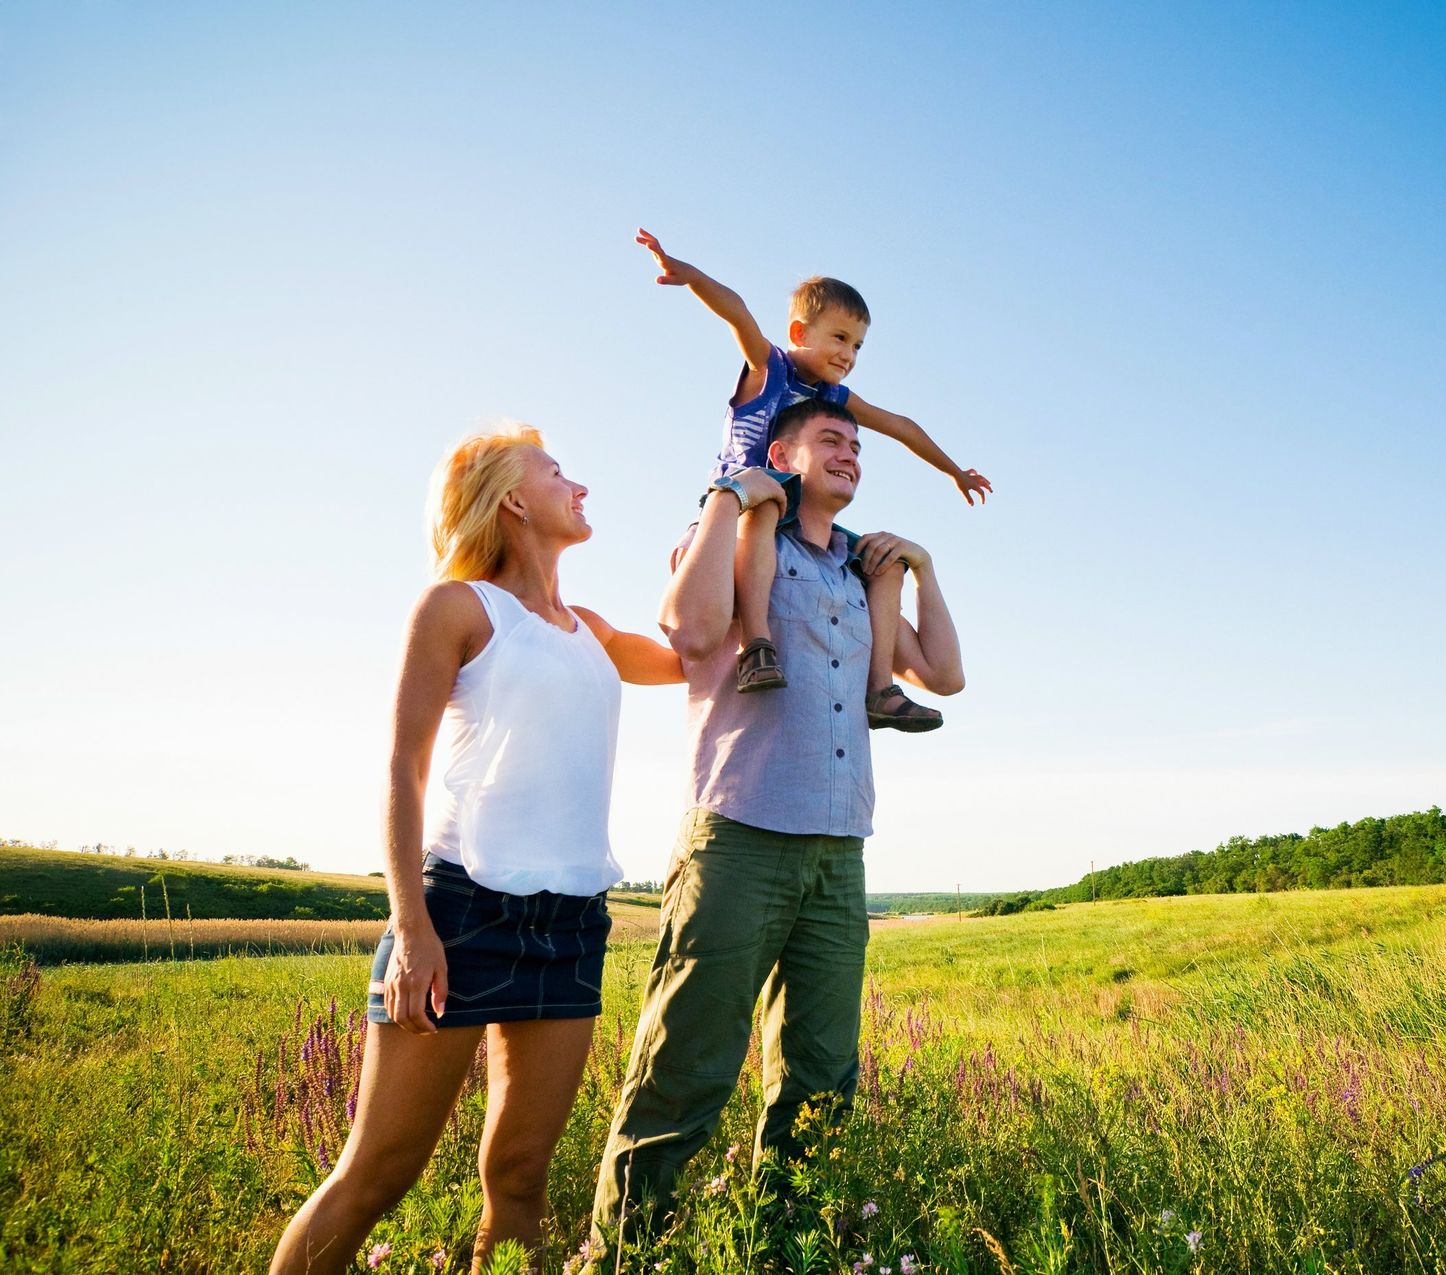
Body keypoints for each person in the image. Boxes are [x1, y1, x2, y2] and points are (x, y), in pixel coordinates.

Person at [271, 423, 698, 1275]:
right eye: (558, 473)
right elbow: (403, 768)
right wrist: (414, 927)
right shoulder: (458, 608)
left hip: (573, 922)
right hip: (461, 911)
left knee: (520, 1175)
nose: (579, 486)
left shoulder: (594, 633)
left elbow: (698, 655)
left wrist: (709, 541)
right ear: (513, 500)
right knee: (377, 1171)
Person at [592, 398, 965, 1258]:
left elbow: (944, 673)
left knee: (822, 1079)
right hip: (740, 835)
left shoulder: (855, 573)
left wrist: (924, 567)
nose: (853, 454)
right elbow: (686, 630)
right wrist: (731, 494)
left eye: (859, 447)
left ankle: (786, 1247)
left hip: (840, 850)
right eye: (833, 439)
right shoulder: (735, 536)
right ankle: (622, 1253)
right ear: (784, 452)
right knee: (685, 1065)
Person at [633, 226, 986, 731]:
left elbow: (900, 425)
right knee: (768, 502)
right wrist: (689, 276)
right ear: (800, 333)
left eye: (859, 346)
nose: (849, 354)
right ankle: (758, 643)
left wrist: (953, 471)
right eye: (840, 338)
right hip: (744, 501)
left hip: (797, 516)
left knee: (882, 562)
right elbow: (738, 312)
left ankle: (880, 688)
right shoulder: (770, 367)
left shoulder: (835, 399)